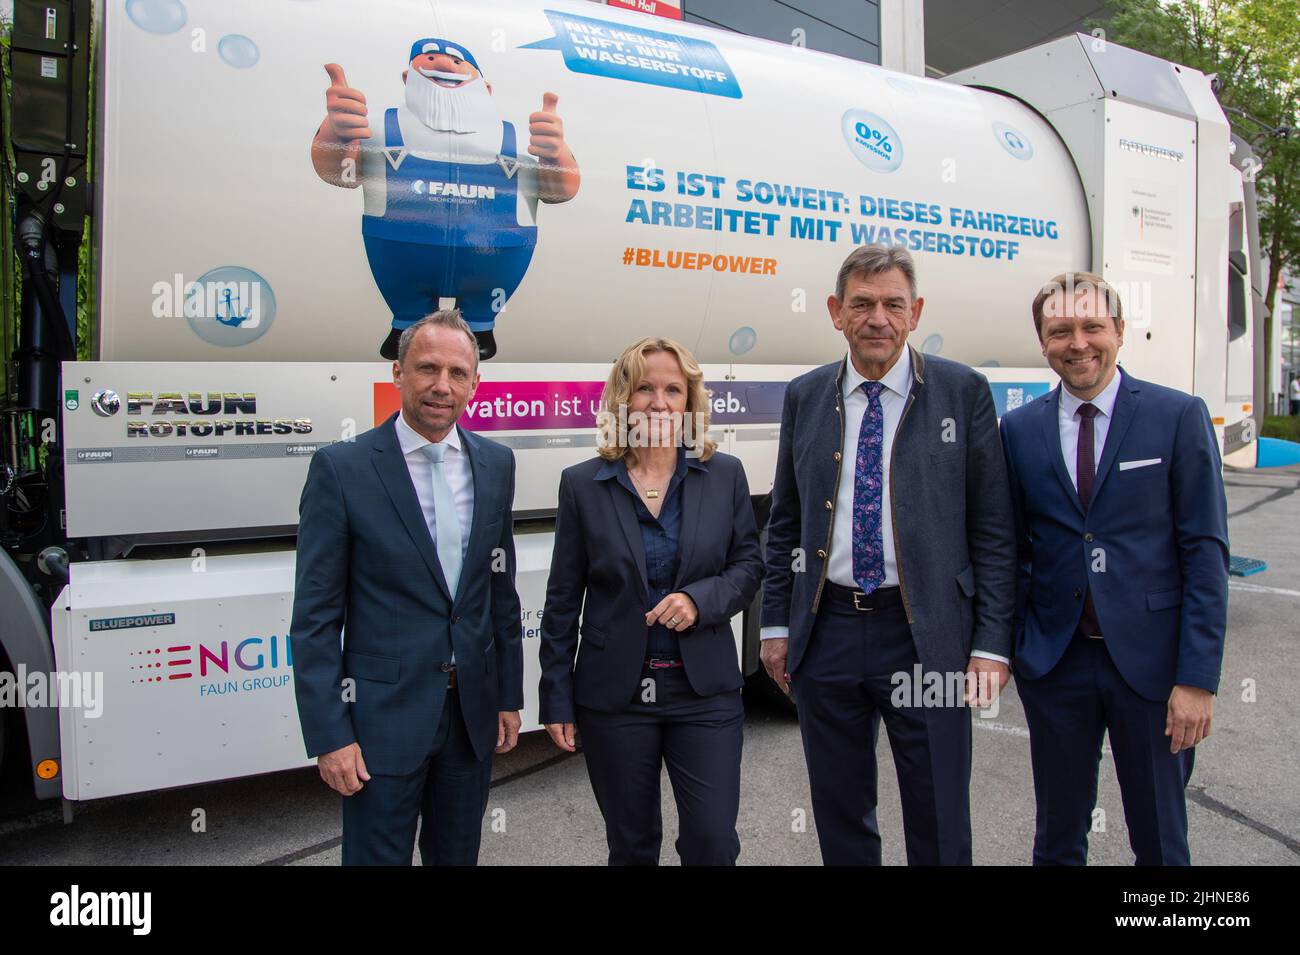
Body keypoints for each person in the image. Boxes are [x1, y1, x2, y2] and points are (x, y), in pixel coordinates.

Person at [760, 244, 1016, 866]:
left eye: (893, 304)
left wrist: (989, 645)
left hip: (925, 634)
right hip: (831, 633)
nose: (878, 318)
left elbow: (993, 530)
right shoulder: (806, 396)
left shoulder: (962, 392)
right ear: (835, 312)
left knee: (938, 810)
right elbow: (786, 520)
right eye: (862, 304)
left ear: (915, 311)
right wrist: (775, 626)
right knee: (841, 811)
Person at [1000, 273, 1228, 865]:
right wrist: (1019, 647)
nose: (1078, 343)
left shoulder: (1177, 417)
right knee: (1057, 840)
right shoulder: (1019, 430)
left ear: (1120, 332)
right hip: (1057, 665)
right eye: (1060, 331)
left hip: (1154, 673)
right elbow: (1012, 548)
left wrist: (1197, 679)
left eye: (1092, 326)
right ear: (1042, 341)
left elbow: (1205, 552)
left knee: (1160, 842)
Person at [291, 309, 524, 865]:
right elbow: (315, 618)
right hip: (380, 723)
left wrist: (508, 697)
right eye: (426, 368)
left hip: (470, 719)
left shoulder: (496, 464)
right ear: (397, 373)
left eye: (457, 373)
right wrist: (330, 734)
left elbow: (499, 592)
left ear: (474, 382)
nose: (442, 386)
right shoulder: (342, 470)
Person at [538, 337, 764, 865]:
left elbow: (749, 565)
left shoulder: (724, 474)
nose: (659, 402)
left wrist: (699, 600)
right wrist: (556, 697)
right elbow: (562, 600)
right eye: (645, 388)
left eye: (672, 389)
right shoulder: (582, 486)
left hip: (703, 692)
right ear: (623, 400)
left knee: (712, 842)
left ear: (689, 402)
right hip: (614, 698)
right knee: (632, 845)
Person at [311, 38, 581, 360]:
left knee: (483, 308)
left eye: (457, 62)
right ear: (407, 78)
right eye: (430, 58)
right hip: (400, 250)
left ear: (487, 88)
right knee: (406, 300)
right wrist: (337, 133)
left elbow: (559, 191)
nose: (444, 65)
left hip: (497, 254)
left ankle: (481, 326)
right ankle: (407, 322)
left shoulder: (522, 137)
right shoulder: (379, 127)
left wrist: (555, 155)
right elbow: (341, 174)